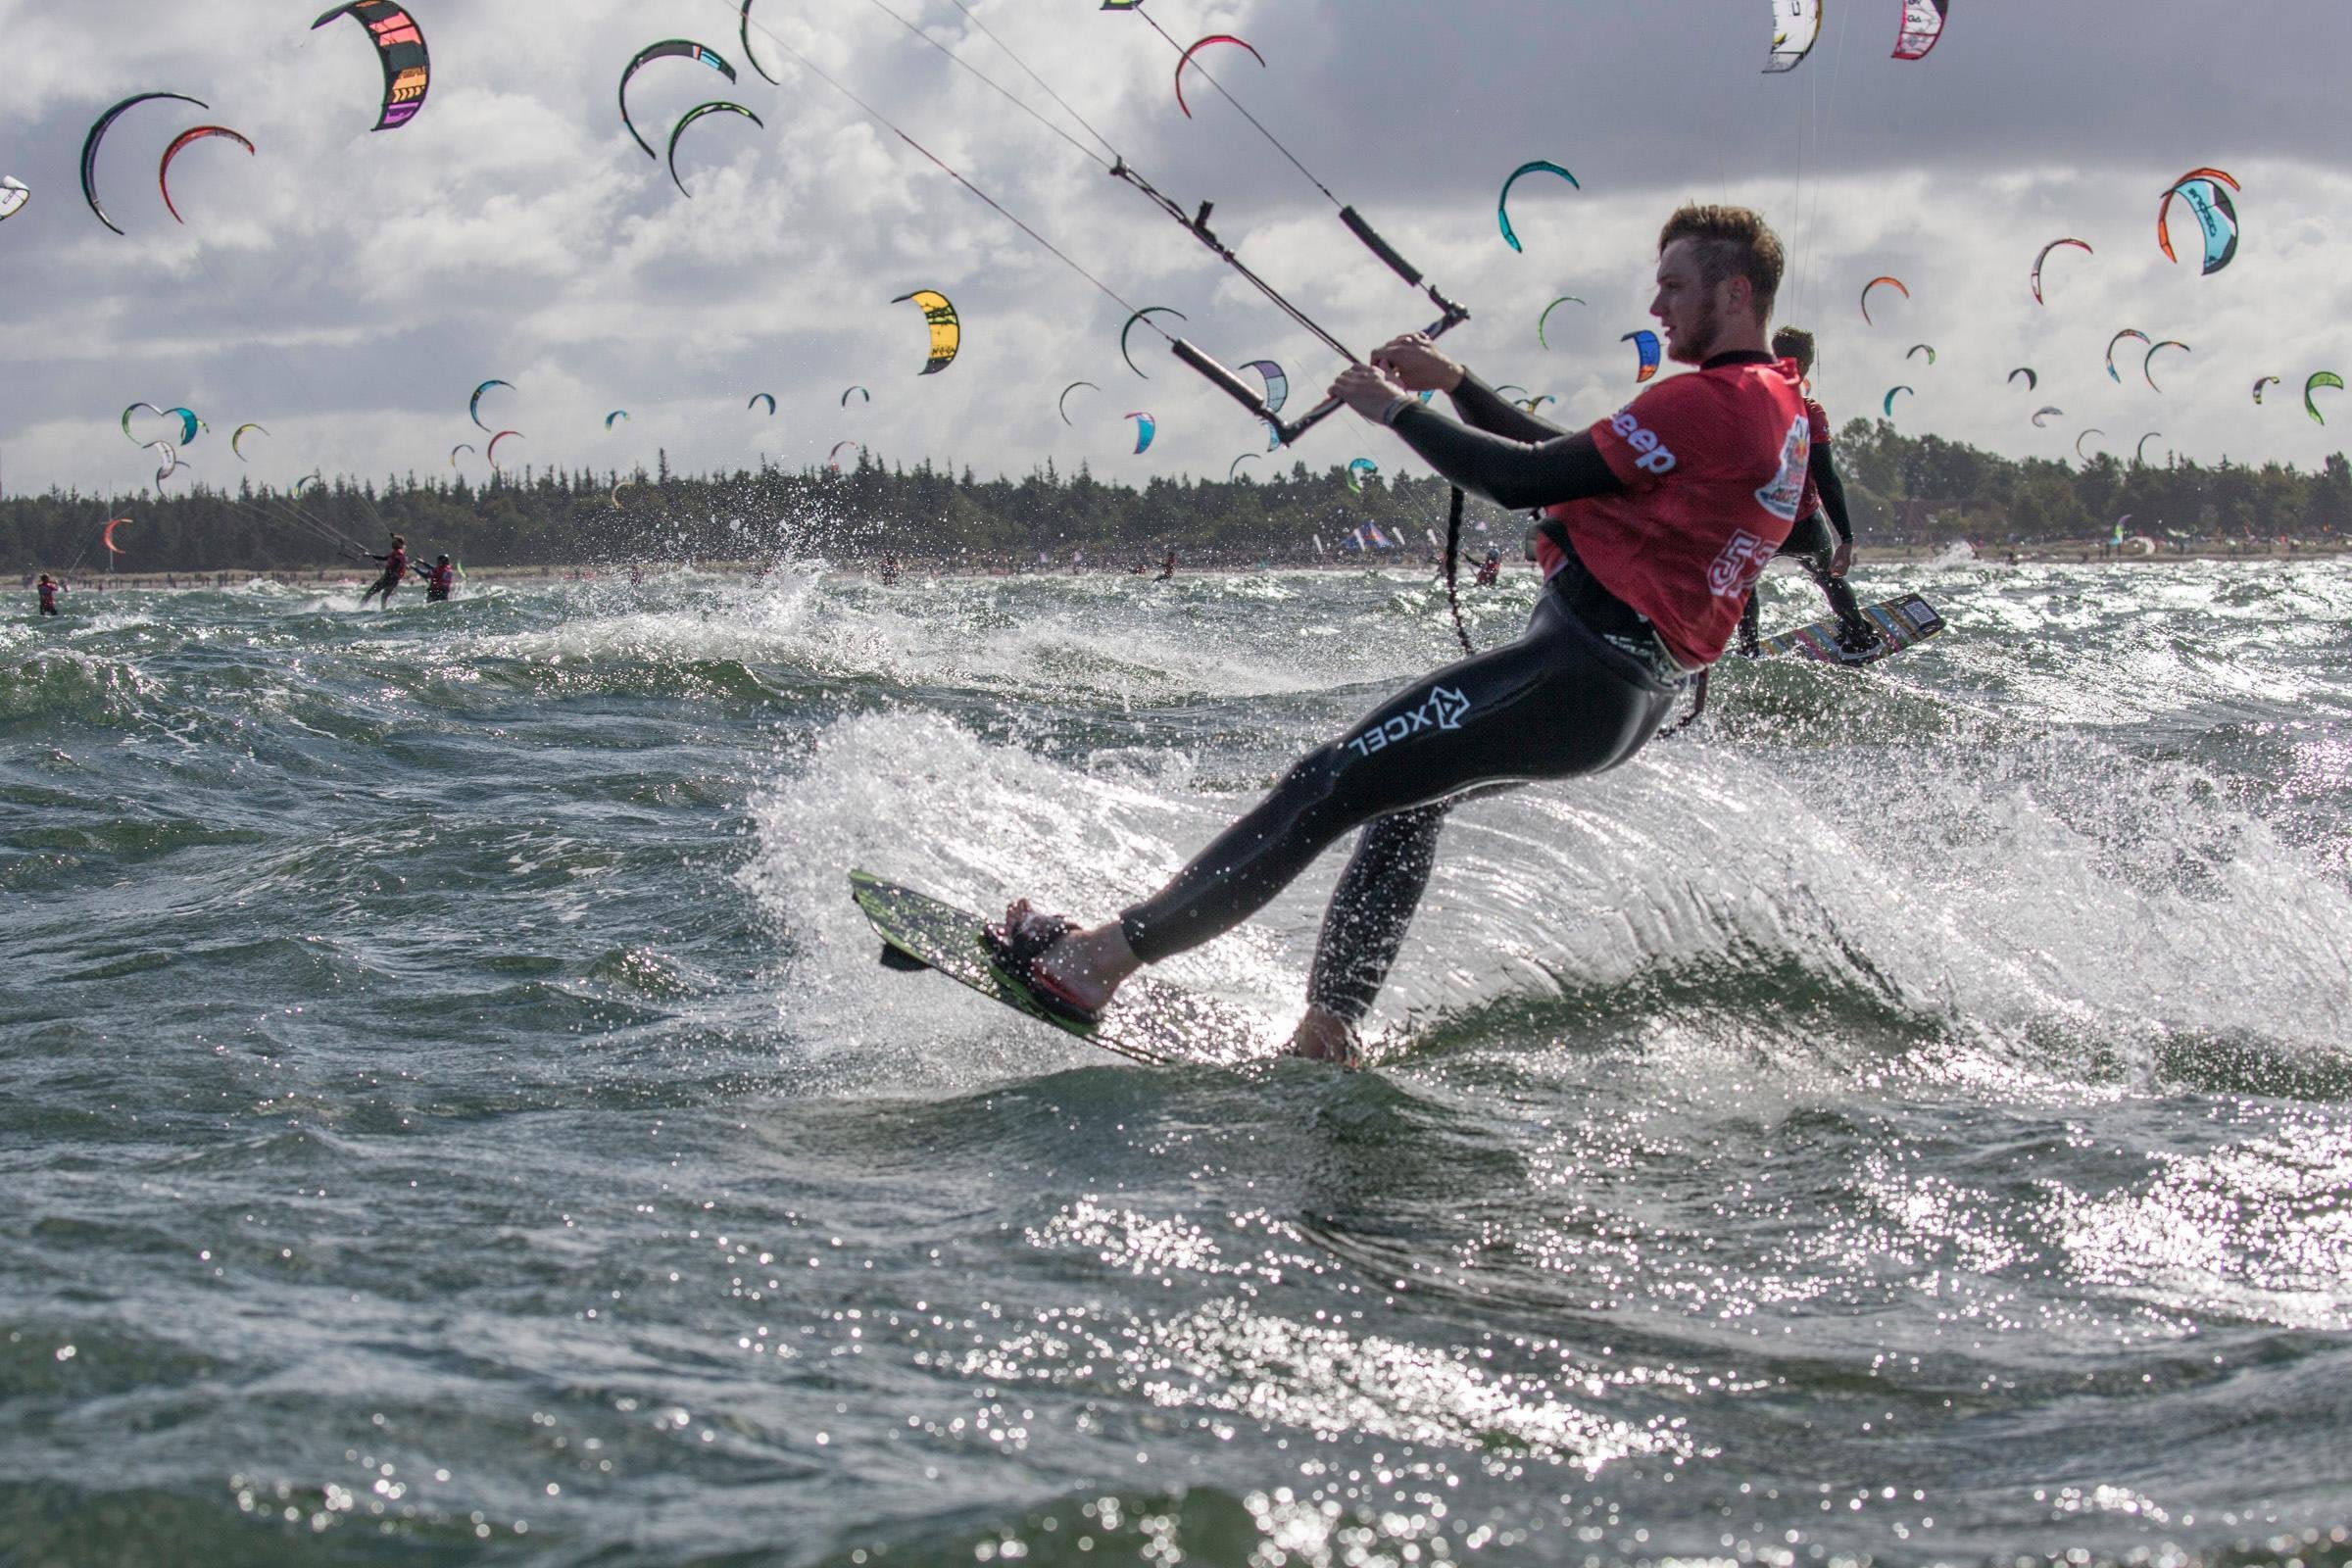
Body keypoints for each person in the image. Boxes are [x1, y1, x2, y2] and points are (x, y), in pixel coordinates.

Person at [986, 204, 1812, 1066]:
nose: (1658, 307)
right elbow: (1573, 457)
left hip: (1578, 671)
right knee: (1406, 801)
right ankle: (1328, 1029)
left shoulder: (1711, 402)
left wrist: (1390, 411)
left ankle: (1094, 963)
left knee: (1331, 781)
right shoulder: (1780, 406)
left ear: (1737, 290)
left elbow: (1520, 475)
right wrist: (1454, 384)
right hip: (1628, 696)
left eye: (1675, 286)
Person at [1734, 326, 1879, 658]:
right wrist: (1847, 537)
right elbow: (1827, 479)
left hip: (1759, 524)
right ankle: (1858, 638)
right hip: (1802, 523)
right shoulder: (1809, 412)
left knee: (1746, 585)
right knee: (1829, 577)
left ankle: (1749, 649)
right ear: (1807, 365)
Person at [360, 534, 414, 607]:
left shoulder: (399, 553)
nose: (392, 543)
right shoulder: (398, 552)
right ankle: (383, 610)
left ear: (399, 543)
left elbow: (396, 562)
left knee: (370, 592)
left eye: (394, 542)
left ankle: (359, 607)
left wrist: (389, 570)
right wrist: (370, 555)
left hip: (389, 577)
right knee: (384, 597)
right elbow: (384, 558)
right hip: (394, 579)